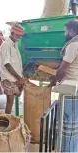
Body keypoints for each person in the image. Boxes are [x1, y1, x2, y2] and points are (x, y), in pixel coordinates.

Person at [49, 19, 78, 152]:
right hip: (75, 85)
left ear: (72, 31)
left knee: (67, 121)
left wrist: (54, 80)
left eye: (66, 30)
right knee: (74, 123)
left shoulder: (73, 45)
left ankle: (66, 149)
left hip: (70, 87)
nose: (64, 33)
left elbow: (63, 69)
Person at [0, 23, 25, 114]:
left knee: (13, 100)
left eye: (21, 36)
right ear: (13, 33)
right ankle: (7, 124)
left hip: (15, 77)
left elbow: (15, 62)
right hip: (8, 78)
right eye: (18, 35)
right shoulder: (6, 45)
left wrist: (20, 77)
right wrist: (19, 78)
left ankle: (9, 121)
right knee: (10, 102)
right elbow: (7, 65)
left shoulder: (14, 44)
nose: (20, 37)